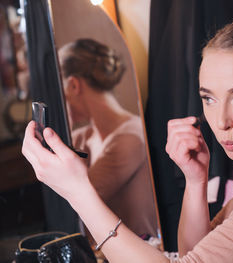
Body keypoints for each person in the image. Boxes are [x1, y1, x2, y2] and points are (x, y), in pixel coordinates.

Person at [22, 19, 233, 262]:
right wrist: (195, 180)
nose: (221, 122)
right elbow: (196, 252)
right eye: (208, 99)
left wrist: (78, 191)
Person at [57, 38, 158, 239]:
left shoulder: (130, 138)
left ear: (74, 85)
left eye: (60, 90)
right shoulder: (82, 137)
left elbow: (74, 204)